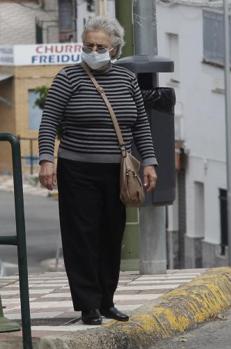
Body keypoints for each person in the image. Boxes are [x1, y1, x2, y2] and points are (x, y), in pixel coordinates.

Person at [38, 16, 158, 325]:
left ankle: (107, 300)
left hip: (118, 172)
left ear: (114, 49)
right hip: (77, 169)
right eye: (88, 45)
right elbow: (50, 120)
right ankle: (88, 304)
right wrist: (46, 160)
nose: (93, 50)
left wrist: (149, 161)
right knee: (82, 238)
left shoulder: (127, 79)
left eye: (100, 46)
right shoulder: (69, 78)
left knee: (110, 235)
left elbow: (141, 124)